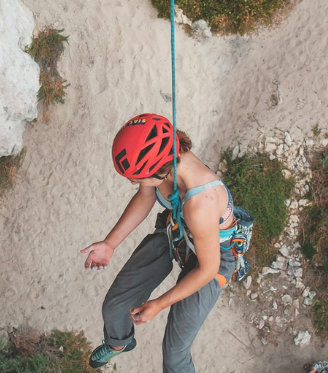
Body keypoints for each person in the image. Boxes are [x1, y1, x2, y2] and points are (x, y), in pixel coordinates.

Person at [81, 114, 251, 372]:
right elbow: (145, 196)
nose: (133, 182)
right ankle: (119, 343)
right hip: (177, 231)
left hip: (212, 259)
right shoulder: (165, 157)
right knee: (115, 306)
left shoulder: (200, 202)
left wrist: (158, 304)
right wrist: (110, 244)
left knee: (174, 354)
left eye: (137, 177)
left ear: (160, 170)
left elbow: (207, 268)